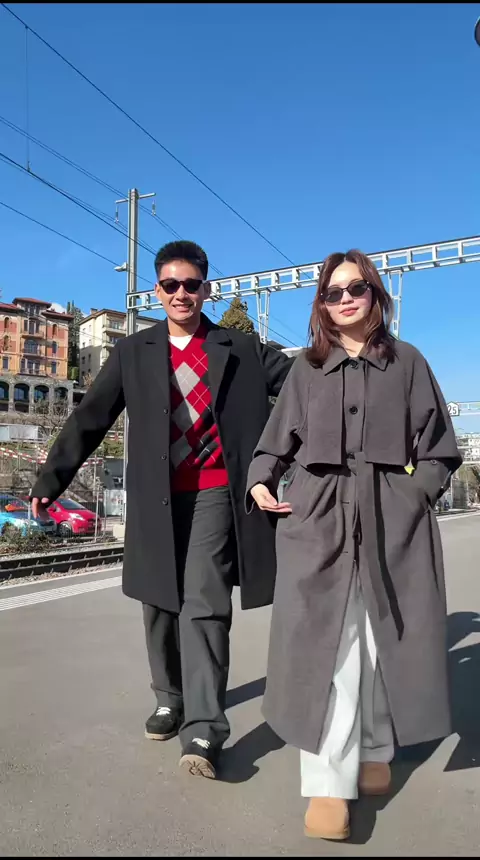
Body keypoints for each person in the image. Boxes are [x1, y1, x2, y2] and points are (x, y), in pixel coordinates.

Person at [31, 240, 293, 780]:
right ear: (157, 290)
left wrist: (350, 366)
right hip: (156, 495)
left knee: (204, 601)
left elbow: (302, 385)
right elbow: (90, 417)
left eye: (191, 285)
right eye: (171, 285)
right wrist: (51, 479)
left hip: (216, 491)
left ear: (206, 289)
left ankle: (204, 727)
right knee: (158, 600)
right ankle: (170, 697)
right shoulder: (134, 352)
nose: (181, 294)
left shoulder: (241, 347)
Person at [247, 249, 461, 840]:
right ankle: (328, 784)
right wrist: (261, 481)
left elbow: (440, 449)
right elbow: (274, 444)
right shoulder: (306, 367)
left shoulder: (408, 362)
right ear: (321, 302)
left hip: (393, 521)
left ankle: (375, 748)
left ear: (375, 294)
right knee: (328, 653)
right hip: (317, 520)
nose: (344, 299)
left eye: (356, 288)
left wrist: (413, 495)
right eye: (332, 292)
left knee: (379, 642)